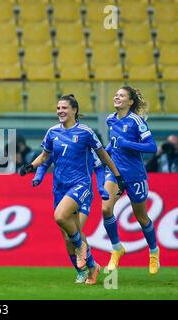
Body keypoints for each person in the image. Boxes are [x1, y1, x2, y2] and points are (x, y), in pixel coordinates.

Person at [20, 94, 124, 285]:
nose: (60, 111)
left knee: (60, 217)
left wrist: (117, 176)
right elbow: (44, 157)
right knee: (68, 236)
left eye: (64, 108)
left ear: (74, 110)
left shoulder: (85, 132)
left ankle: (82, 249)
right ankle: (89, 268)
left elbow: (103, 157)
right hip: (59, 188)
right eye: (58, 108)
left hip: (80, 185)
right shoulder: (52, 132)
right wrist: (30, 167)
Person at [101, 86, 160, 274]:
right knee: (105, 208)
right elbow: (113, 142)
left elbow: (152, 147)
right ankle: (117, 249)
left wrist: (127, 144)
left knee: (141, 218)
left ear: (130, 101)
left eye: (121, 95)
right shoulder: (110, 119)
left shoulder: (136, 121)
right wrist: (105, 152)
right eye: (116, 94)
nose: (116, 97)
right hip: (115, 173)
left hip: (135, 175)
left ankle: (153, 253)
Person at [32, 150, 109, 284]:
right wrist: (38, 177)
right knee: (68, 238)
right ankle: (85, 269)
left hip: (82, 193)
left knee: (76, 230)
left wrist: (101, 187)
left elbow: (99, 168)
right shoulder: (59, 144)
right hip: (60, 193)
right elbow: (44, 162)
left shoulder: (88, 148)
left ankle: (91, 267)